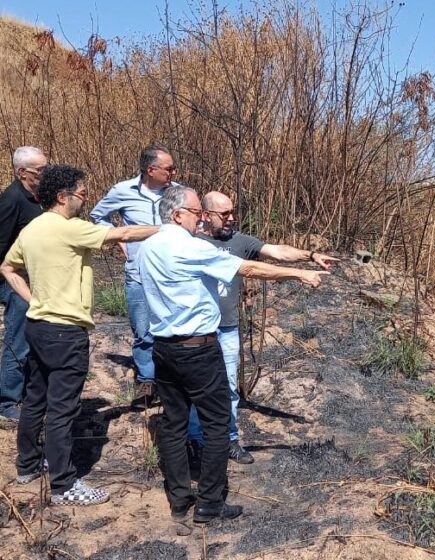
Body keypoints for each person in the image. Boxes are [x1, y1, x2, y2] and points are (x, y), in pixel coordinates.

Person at [137, 186, 327, 524]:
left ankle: (180, 501)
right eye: (197, 212)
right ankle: (210, 503)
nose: (200, 219)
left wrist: (306, 256)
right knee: (217, 424)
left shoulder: (148, 247)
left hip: (164, 349)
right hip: (198, 348)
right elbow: (250, 270)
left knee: (173, 423)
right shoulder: (190, 247)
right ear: (178, 214)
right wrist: (299, 273)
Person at [0, 165, 158, 506]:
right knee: (62, 410)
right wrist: (167, 228)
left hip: (37, 326)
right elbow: (124, 235)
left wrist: (33, 300)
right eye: (82, 193)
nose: (84, 199)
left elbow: (6, 268)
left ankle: (28, 466)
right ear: (62, 196)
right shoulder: (69, 228)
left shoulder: (32, 229)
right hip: (66, 333)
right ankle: (63, 485)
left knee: (35, 399)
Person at [186, 191, 337, 465]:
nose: (231, 218)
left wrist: (310, 255)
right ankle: (196, 440)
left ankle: (229, 439)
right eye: (224, 214)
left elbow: (276, 251)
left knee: (229, 387)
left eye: (233, 212)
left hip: (227, 328)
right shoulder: (189, 242)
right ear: (205, 215)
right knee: (198, 388)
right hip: (196, 331)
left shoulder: (239, 241)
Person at [90, 145, 177, 397]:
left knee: (172, 327)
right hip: (138, 272)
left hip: (171, 274)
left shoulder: (178, 192)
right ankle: (147, 380)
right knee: (143, 329)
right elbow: (98, 216)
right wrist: (118, 238)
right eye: (168, 168)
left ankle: (171, 379)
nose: (173, 172)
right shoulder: (123, 191)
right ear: (151, 170)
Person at [0, 147, 48, 422]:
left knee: (34, 338)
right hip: (15, 281)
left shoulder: (38, 197)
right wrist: (11, 280)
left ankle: (31, 393)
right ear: (22, 173)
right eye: (40, 170)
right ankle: (8, 400)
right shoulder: (11, 200)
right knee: (17, 340)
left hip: (36, 279)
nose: (45, 173)